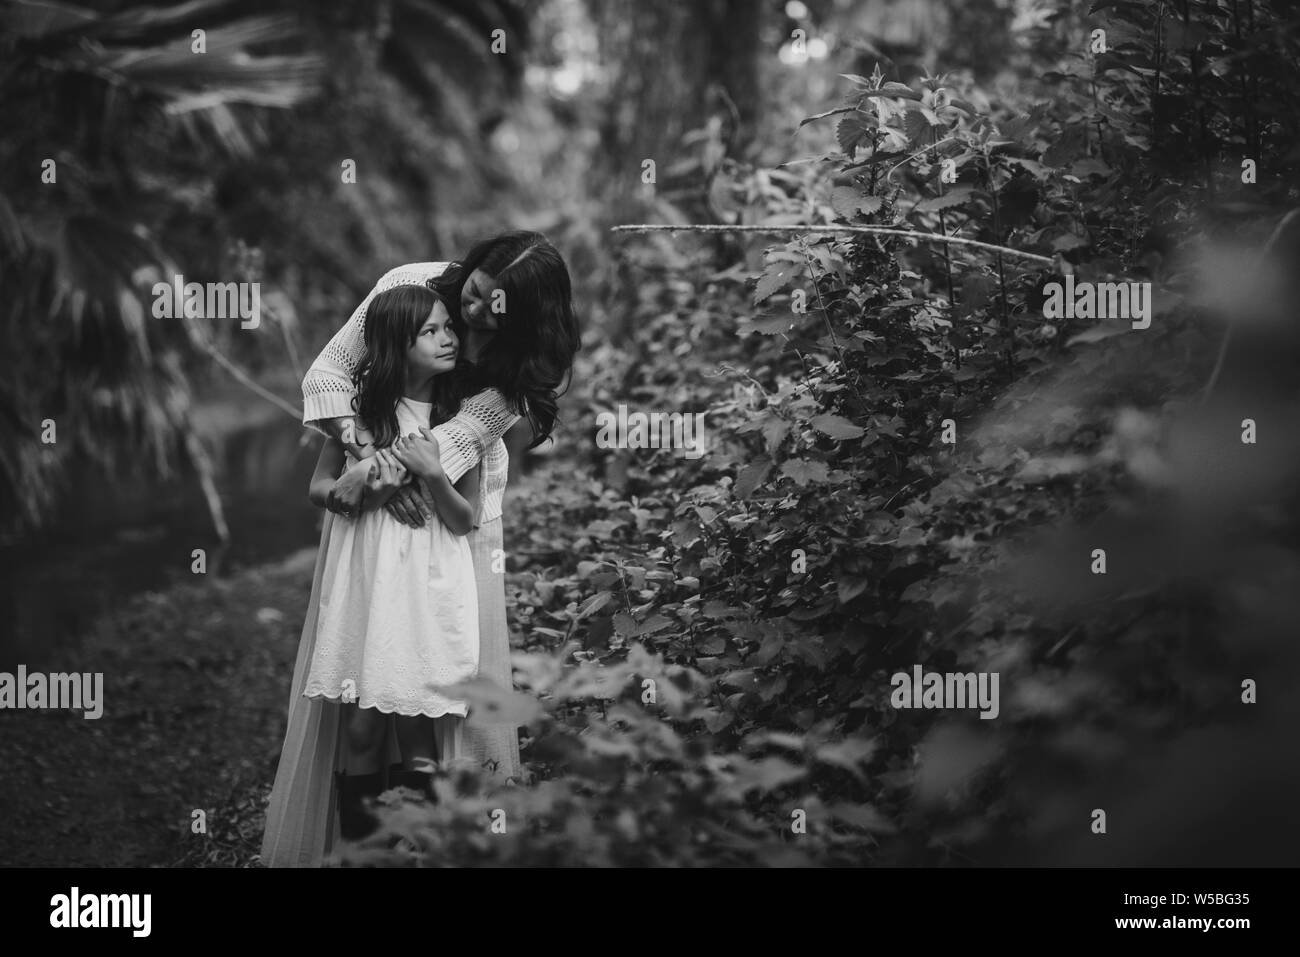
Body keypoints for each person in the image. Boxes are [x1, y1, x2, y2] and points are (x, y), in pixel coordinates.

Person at [261, 231, 579, 867]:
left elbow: (458, 444)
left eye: (499, 310)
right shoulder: (408, 289)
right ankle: (357, 847)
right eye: (478, 293)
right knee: (364, 690)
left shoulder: (521, 367)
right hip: (372, 533)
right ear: (470, 267)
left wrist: (395, 478)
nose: (476, 316)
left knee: (447, 693)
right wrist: (360, 457)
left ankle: (448, 844)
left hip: (452, 534)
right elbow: (328, 373)